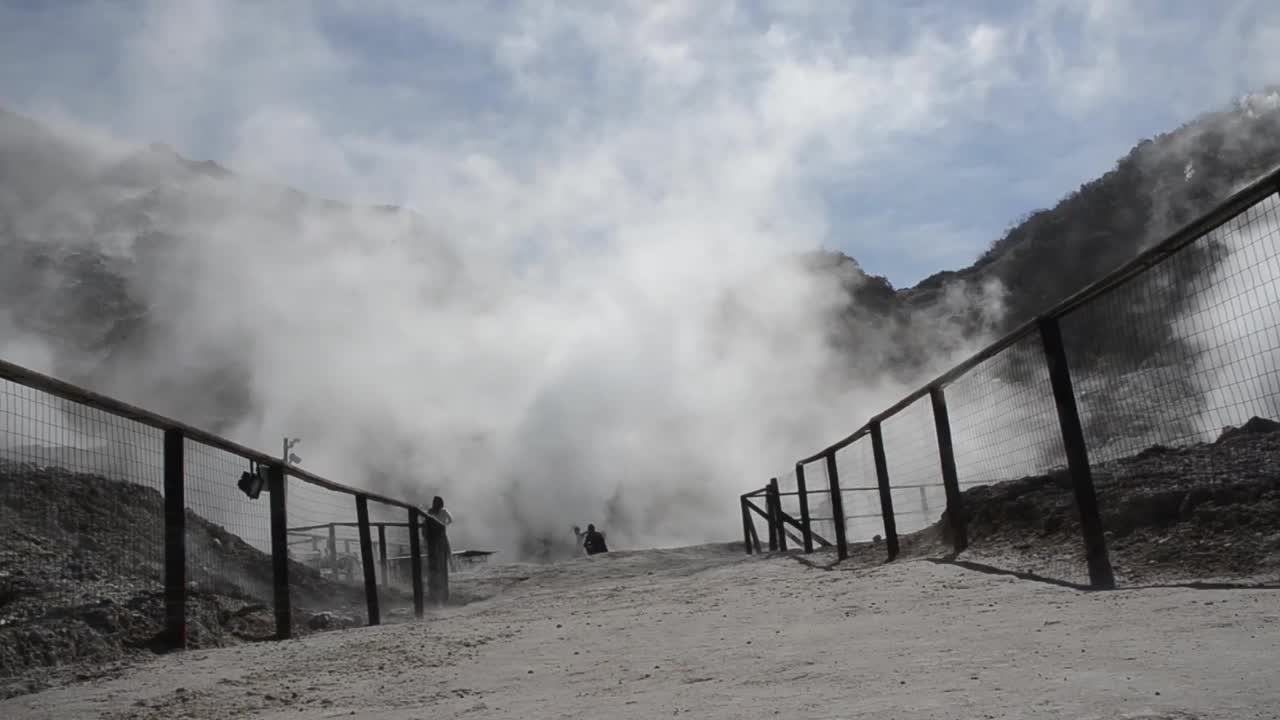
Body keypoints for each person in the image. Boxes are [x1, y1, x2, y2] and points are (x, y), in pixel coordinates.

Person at [422, 496, 452, 605]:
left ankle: (439, 596)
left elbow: (425, 527)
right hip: (436, 541)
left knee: (438, 567)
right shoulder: (431, 512)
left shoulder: (433, 512)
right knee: (436, 567)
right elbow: (425, 527)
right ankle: (437, 595)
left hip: (437, 541)